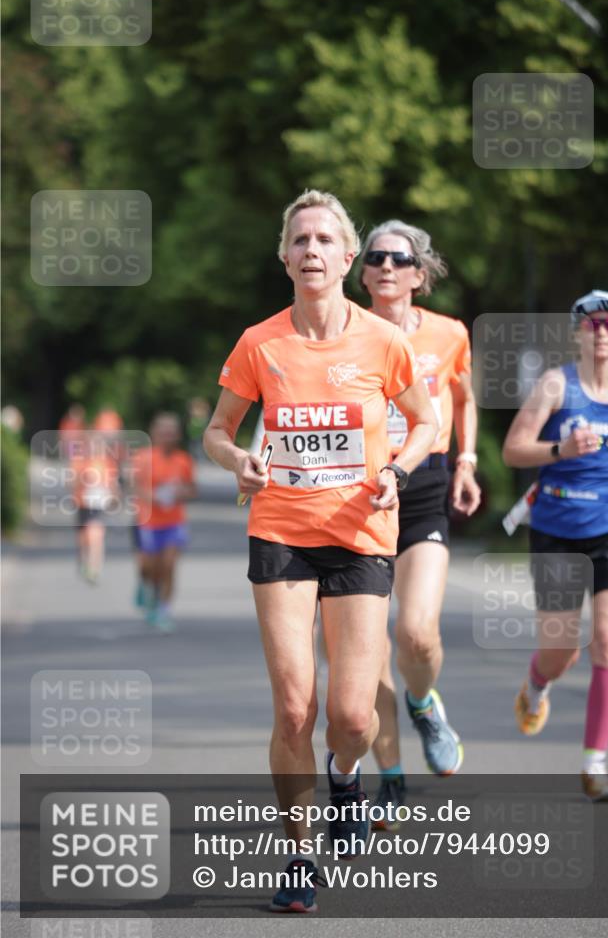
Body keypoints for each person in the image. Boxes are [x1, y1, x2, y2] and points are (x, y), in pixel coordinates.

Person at [203, 189, 437, 913]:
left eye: (323, 241)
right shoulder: (259, 343)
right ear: (284, 257)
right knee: (294, 707)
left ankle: (345, 777)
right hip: (279, 531)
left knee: (354, 717)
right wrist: (234, 458)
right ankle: (299, 857)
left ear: (346, 258)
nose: (310, 251)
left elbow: (424, 423)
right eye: (298, 241)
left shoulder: (382, 341)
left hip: (362, 536)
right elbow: (217, 428)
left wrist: (397, 472)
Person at [502, 290, 608, 801]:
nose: (600, 332)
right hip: (557, 530)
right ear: (578, 332)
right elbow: (512, 449)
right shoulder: (557, 385)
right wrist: (560, 449)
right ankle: (537, 682)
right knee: (562, 650)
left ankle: (595, 764)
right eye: (590, 323)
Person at [359, 220, 481, 828]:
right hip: (360, 493)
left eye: (398, 259)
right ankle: (391, 776)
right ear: (363, 271)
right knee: (367, 650)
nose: (386, 266)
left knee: (417, 635)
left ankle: (423, 702)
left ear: (419, 273)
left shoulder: (449, 333)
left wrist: (468, 459)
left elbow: (462, 395)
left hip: (426, 484)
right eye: (375, 257)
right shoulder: (347, 333)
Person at [132, 413, 196, 632]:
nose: (167, 436)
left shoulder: (183, 460)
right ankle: (145, 587)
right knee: (149, 567)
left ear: (177, 435)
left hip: (174, 521)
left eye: (171, 432)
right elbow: (134, 486)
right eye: (163, 432)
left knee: (168, 565)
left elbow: (192, 489)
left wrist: (180, 492)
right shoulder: (143, 457)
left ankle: (163, 609)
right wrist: (151, 497)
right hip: (148, 521)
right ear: (154, 433)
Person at [70, 431, 120, 584]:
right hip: (82, 504)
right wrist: (82, 479)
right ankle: (84, 560)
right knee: (83, 538)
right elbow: (70, 483)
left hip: (98, 505)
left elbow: (113, 485)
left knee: (96, 535)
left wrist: (114, 498)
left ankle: (94, 567)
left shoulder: (107, 463)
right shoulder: (78, 462)